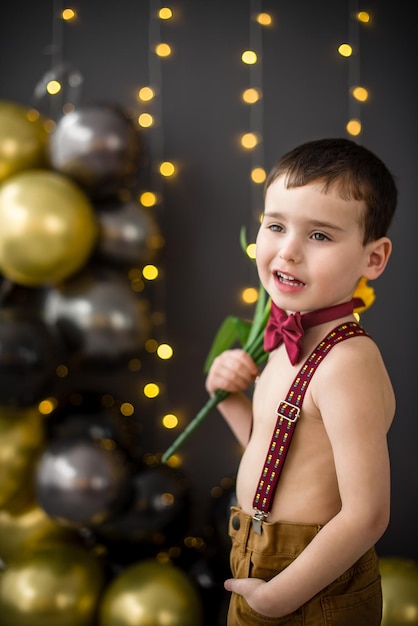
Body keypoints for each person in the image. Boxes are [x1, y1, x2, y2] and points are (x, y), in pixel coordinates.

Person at [205, 138, 398, 625]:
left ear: (372, 259)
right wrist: (228, 398)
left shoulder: (346, 362)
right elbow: (277, 450)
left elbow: (366, 514)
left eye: (320, 236)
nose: (287, 251)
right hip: (256, 557)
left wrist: (280, 597)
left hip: (312, 582)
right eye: (275, 226)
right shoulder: (286, 337)